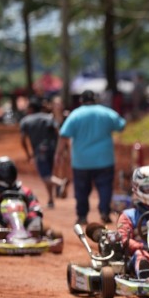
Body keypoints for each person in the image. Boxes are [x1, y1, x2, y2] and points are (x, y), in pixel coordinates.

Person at [55, 89, 127, 225]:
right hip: (104, 159)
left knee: (81, 190)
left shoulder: (75, 115)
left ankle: (82, 216)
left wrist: (58, 154)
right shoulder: (106, 112)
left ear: (81, 101)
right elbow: (121, 125)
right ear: (95, 100)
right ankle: (104, 212)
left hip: (81, 162)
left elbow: (63, 135)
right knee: (105, 187)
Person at [0, 157, 43, 239]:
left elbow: (35, 204)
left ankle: (33, 234)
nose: (6, 174)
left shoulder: (24, 190)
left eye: (8, 171)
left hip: (23, 220)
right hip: (1, 221)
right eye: (3, 171)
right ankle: (0, 236)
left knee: (36, 218)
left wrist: (32, 213)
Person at [19, 97, 63, 209]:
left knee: (45, 176)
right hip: (53, 149)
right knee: (50, 174)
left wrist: (28, 155)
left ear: (31, 108)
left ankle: (60, 183)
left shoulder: (26, 120)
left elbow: (23, 140)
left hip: (40, 151)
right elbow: (58, 133)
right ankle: (51, 199)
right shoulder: (49, 118)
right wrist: (60, 149)